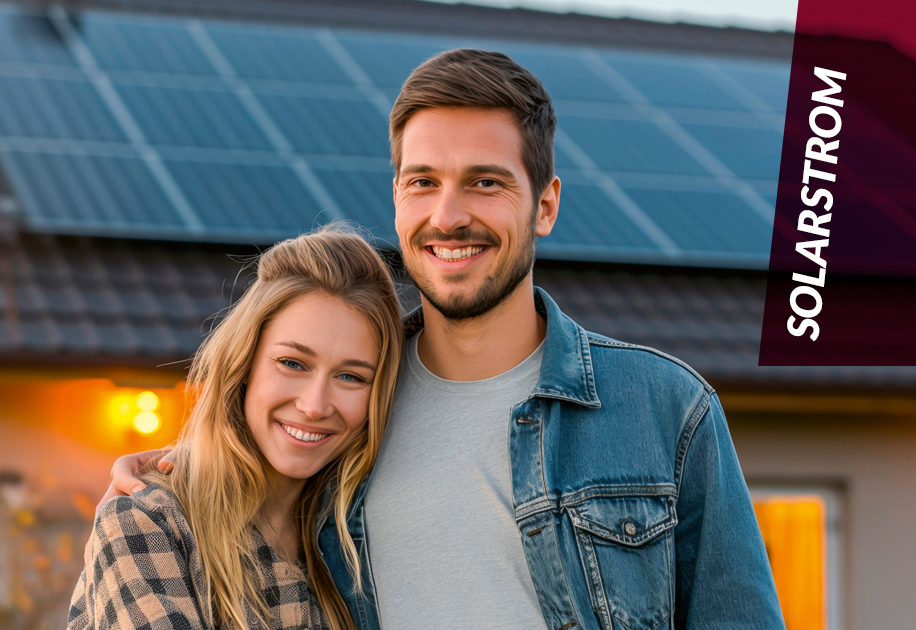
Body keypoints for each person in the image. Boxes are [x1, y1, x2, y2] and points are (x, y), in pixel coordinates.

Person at [103, 49, 785, 630]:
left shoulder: (664, 409)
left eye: (484, 183)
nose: (448, 216)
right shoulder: (352, 405)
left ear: (544, 204)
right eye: (422, 183)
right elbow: (259, 459)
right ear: (397, 199)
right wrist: (176, 465)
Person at [67, 226, 405, 630]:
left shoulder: (356, 543)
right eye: (292, 364)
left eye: (351, 376)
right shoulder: (149, 523)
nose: (314, 406)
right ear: (244, 364)